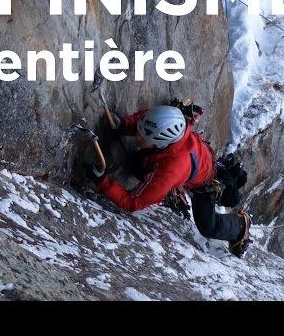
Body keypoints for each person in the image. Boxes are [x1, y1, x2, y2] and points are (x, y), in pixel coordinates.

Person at [86, 104, 252, 257]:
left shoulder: (169, 171)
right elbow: (146, 119)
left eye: (144, 138)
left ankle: (239, 226)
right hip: (197, 158)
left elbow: (133, 202)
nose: (137, 138)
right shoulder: (168, 119)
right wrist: (124, 124)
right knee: (136, 162)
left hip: (204, 183)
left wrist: (103, 181)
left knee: (208, 227)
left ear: (160, 144)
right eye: (139, 133)